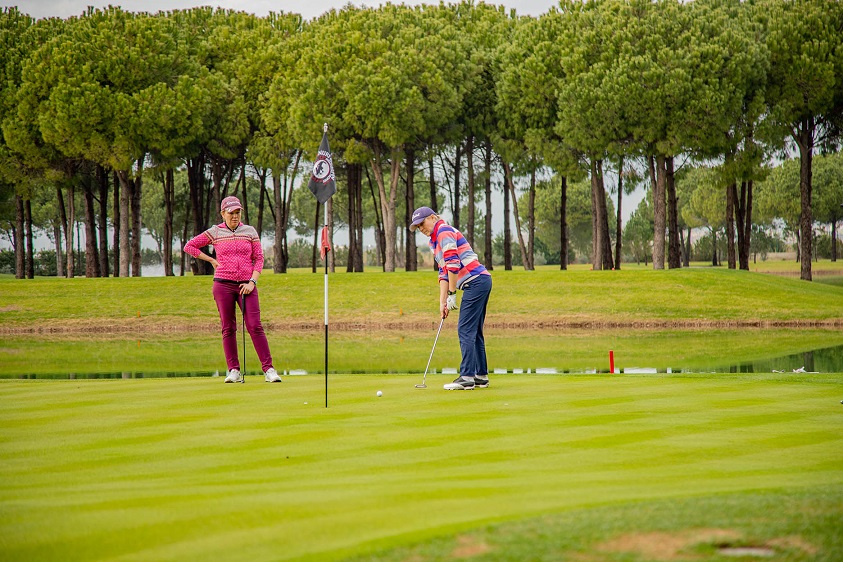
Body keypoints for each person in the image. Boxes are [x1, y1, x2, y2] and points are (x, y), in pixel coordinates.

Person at [183, 196, 281, 383]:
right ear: (223, 214)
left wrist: (252, 282)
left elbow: (259, 258)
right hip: (223, 285)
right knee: (228, 328)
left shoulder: (249, 231)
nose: (235, 216)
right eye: (231, 213)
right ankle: (233, 370)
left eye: (238, 212)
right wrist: (211, 260)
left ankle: (269, 369)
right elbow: (190, 246)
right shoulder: (215, 232)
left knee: (255, 325)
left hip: (247, 285)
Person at [410, 206, 492, 390]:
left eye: (422, 223)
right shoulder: (434, 241)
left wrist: (452, 294)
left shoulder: (443, 231)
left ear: (433, 217)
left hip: (476, 281)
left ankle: (467, 377)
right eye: (418, 227)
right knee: (474, 330)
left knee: (465, 329)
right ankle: (481, 376)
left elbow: (453, 264)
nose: (421, 228)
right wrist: (443, 302)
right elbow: (444, 272)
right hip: (480, 281)